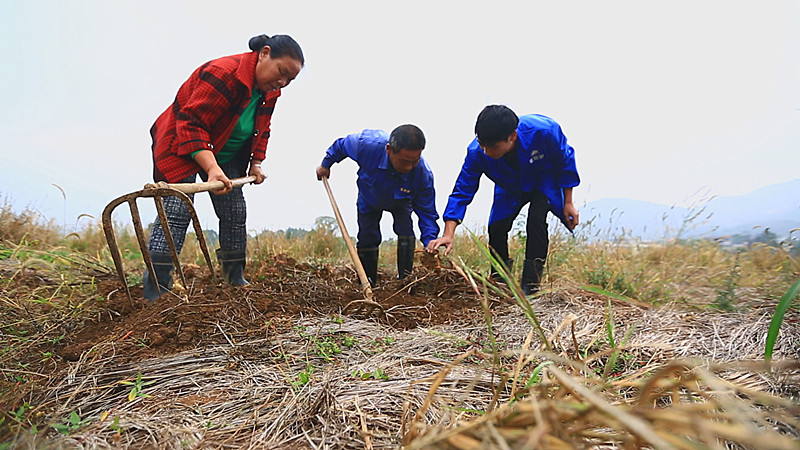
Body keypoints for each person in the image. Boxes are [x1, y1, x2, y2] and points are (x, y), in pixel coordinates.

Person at [142, 34, 305, 301]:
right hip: (180, 144)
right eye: (281, 73)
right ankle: (156, 290)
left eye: (290, 80)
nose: (282, 82)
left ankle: (234, 277)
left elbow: (262, 129)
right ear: (264, 53)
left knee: (234, 210)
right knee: (177, 211)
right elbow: (191, 123)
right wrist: (211, 168)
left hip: (226, 149)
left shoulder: (271, 91)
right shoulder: (222, 73)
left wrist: (256, 163)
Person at [426, 105, 580, 294]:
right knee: (496, 228)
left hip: (543, 182)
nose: (487, 152)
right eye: (483, 145)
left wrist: (568, 202)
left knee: (536, 220)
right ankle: (499, 284)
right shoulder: (477, 153)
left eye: (493, 147)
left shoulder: (544, 131)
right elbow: (462, 191)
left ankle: (531, 288)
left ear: (512, 137)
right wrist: (448, 234)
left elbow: (565, 160)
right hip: (510, 188)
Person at [316, 125, 440, 286]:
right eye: (404, 161)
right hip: (369, 195)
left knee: (405, 230)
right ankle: (367, 282)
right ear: (389, 149)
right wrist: (326, 165)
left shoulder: (423, 175)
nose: (409, 167)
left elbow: (427, 212)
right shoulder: (367, 146)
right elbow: (341, 145)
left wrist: (430, 240)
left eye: (414, 161)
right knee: (368, 235)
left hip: (401, 200)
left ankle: (405, 280)